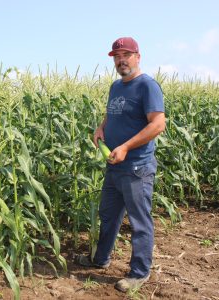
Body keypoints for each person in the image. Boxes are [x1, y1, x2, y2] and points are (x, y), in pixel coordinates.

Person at [74, 37, 166, 292]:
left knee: (139, 221)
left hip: (137, 167)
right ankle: (100, 259)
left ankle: (139, 272)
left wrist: (125, 147)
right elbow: (111, 114)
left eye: (126, 54)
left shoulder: (147, 86)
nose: (121, 60)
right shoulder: (116, 86)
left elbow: (158, 124)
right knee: (108, 216)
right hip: (114, 166)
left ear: (138, 57)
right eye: (117, 56)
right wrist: (100, 128)